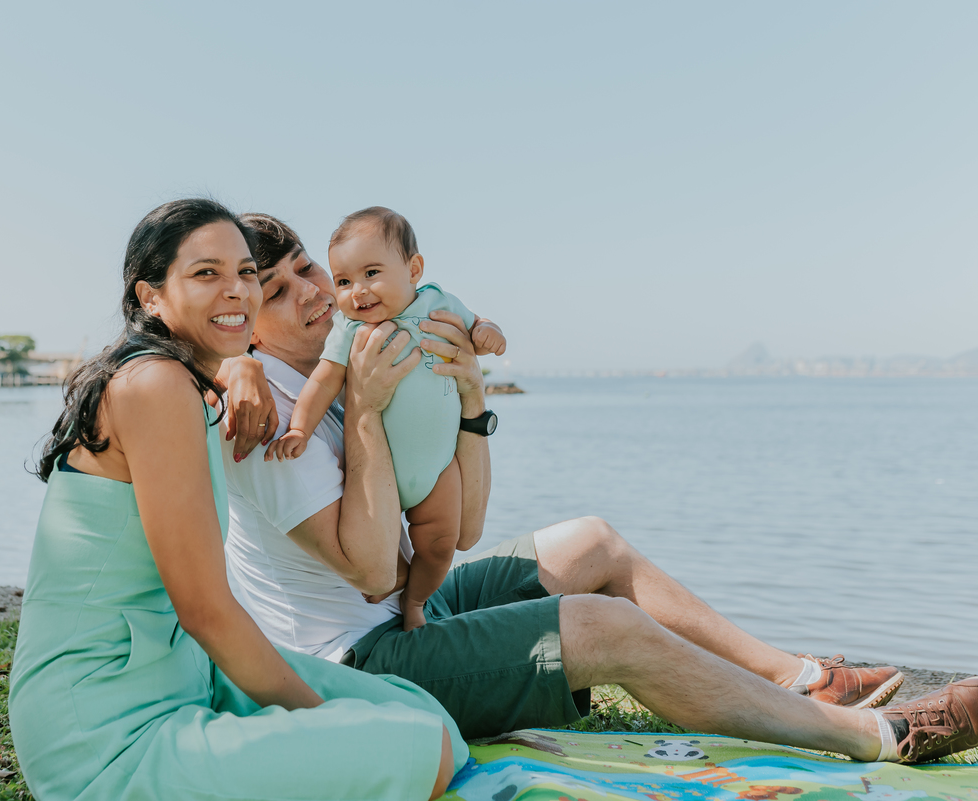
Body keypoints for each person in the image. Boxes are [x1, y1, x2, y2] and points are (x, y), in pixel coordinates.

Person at [221, 212, 978, 765]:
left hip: (409, 608)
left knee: (593, 540)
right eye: (277, 288)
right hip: (356, 662)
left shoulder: (372, 352)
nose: (312, 293)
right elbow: (374, 570)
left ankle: (809, 679)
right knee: (604, 627)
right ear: (249, 322)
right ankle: (881, 736)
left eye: (306, 269)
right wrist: (361, 408)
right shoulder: (266, 420)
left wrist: (473, 401)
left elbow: (469, 525)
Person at [7, 199, 467, 801]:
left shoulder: (190, 382)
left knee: (425, 718)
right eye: (206, 274)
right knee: (420, 750)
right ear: (151, 295)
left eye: (246, 273)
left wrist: (242, 365)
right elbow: (205, 610)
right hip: (107, 731)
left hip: (187, 676)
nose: (237, 292)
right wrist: (322, 724)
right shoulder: (155, 385)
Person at [266, 206, 506, 630]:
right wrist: (300, 427)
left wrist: (487, 335)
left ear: (413, 269)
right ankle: (405, 599)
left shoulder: (438, 303)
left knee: (441, 544)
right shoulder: (348, 331)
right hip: (384, 473)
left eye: (372, 273)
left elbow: (477, 324)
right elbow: (322, 383)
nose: (357, 292)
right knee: (387, 560)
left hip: (438, 467)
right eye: (344, 282)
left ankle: (416, 601)